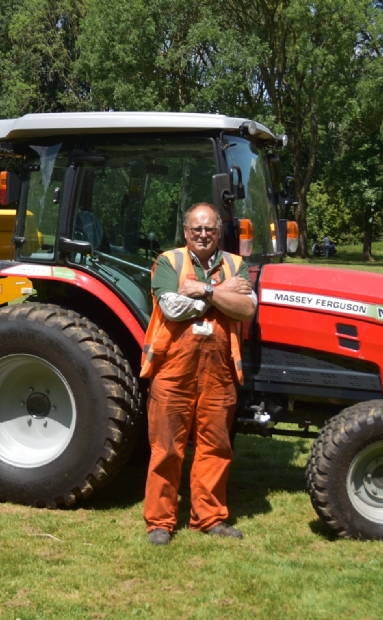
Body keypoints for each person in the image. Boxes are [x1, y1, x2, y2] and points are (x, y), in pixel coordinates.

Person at [140, 202, 257, 546]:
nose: (203, 235)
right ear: (186, 232)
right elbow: (172, 308)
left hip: (219, 371)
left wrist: (204, 290)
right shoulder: (169, 261)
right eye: (196, 229)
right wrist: (223, 295)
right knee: (166, 449)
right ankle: (160, 522)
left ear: (219, 232)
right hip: (173, 370)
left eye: (209, 229)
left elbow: (247, 308)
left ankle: (209, 518)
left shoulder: (235, 264)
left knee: (216, 446)